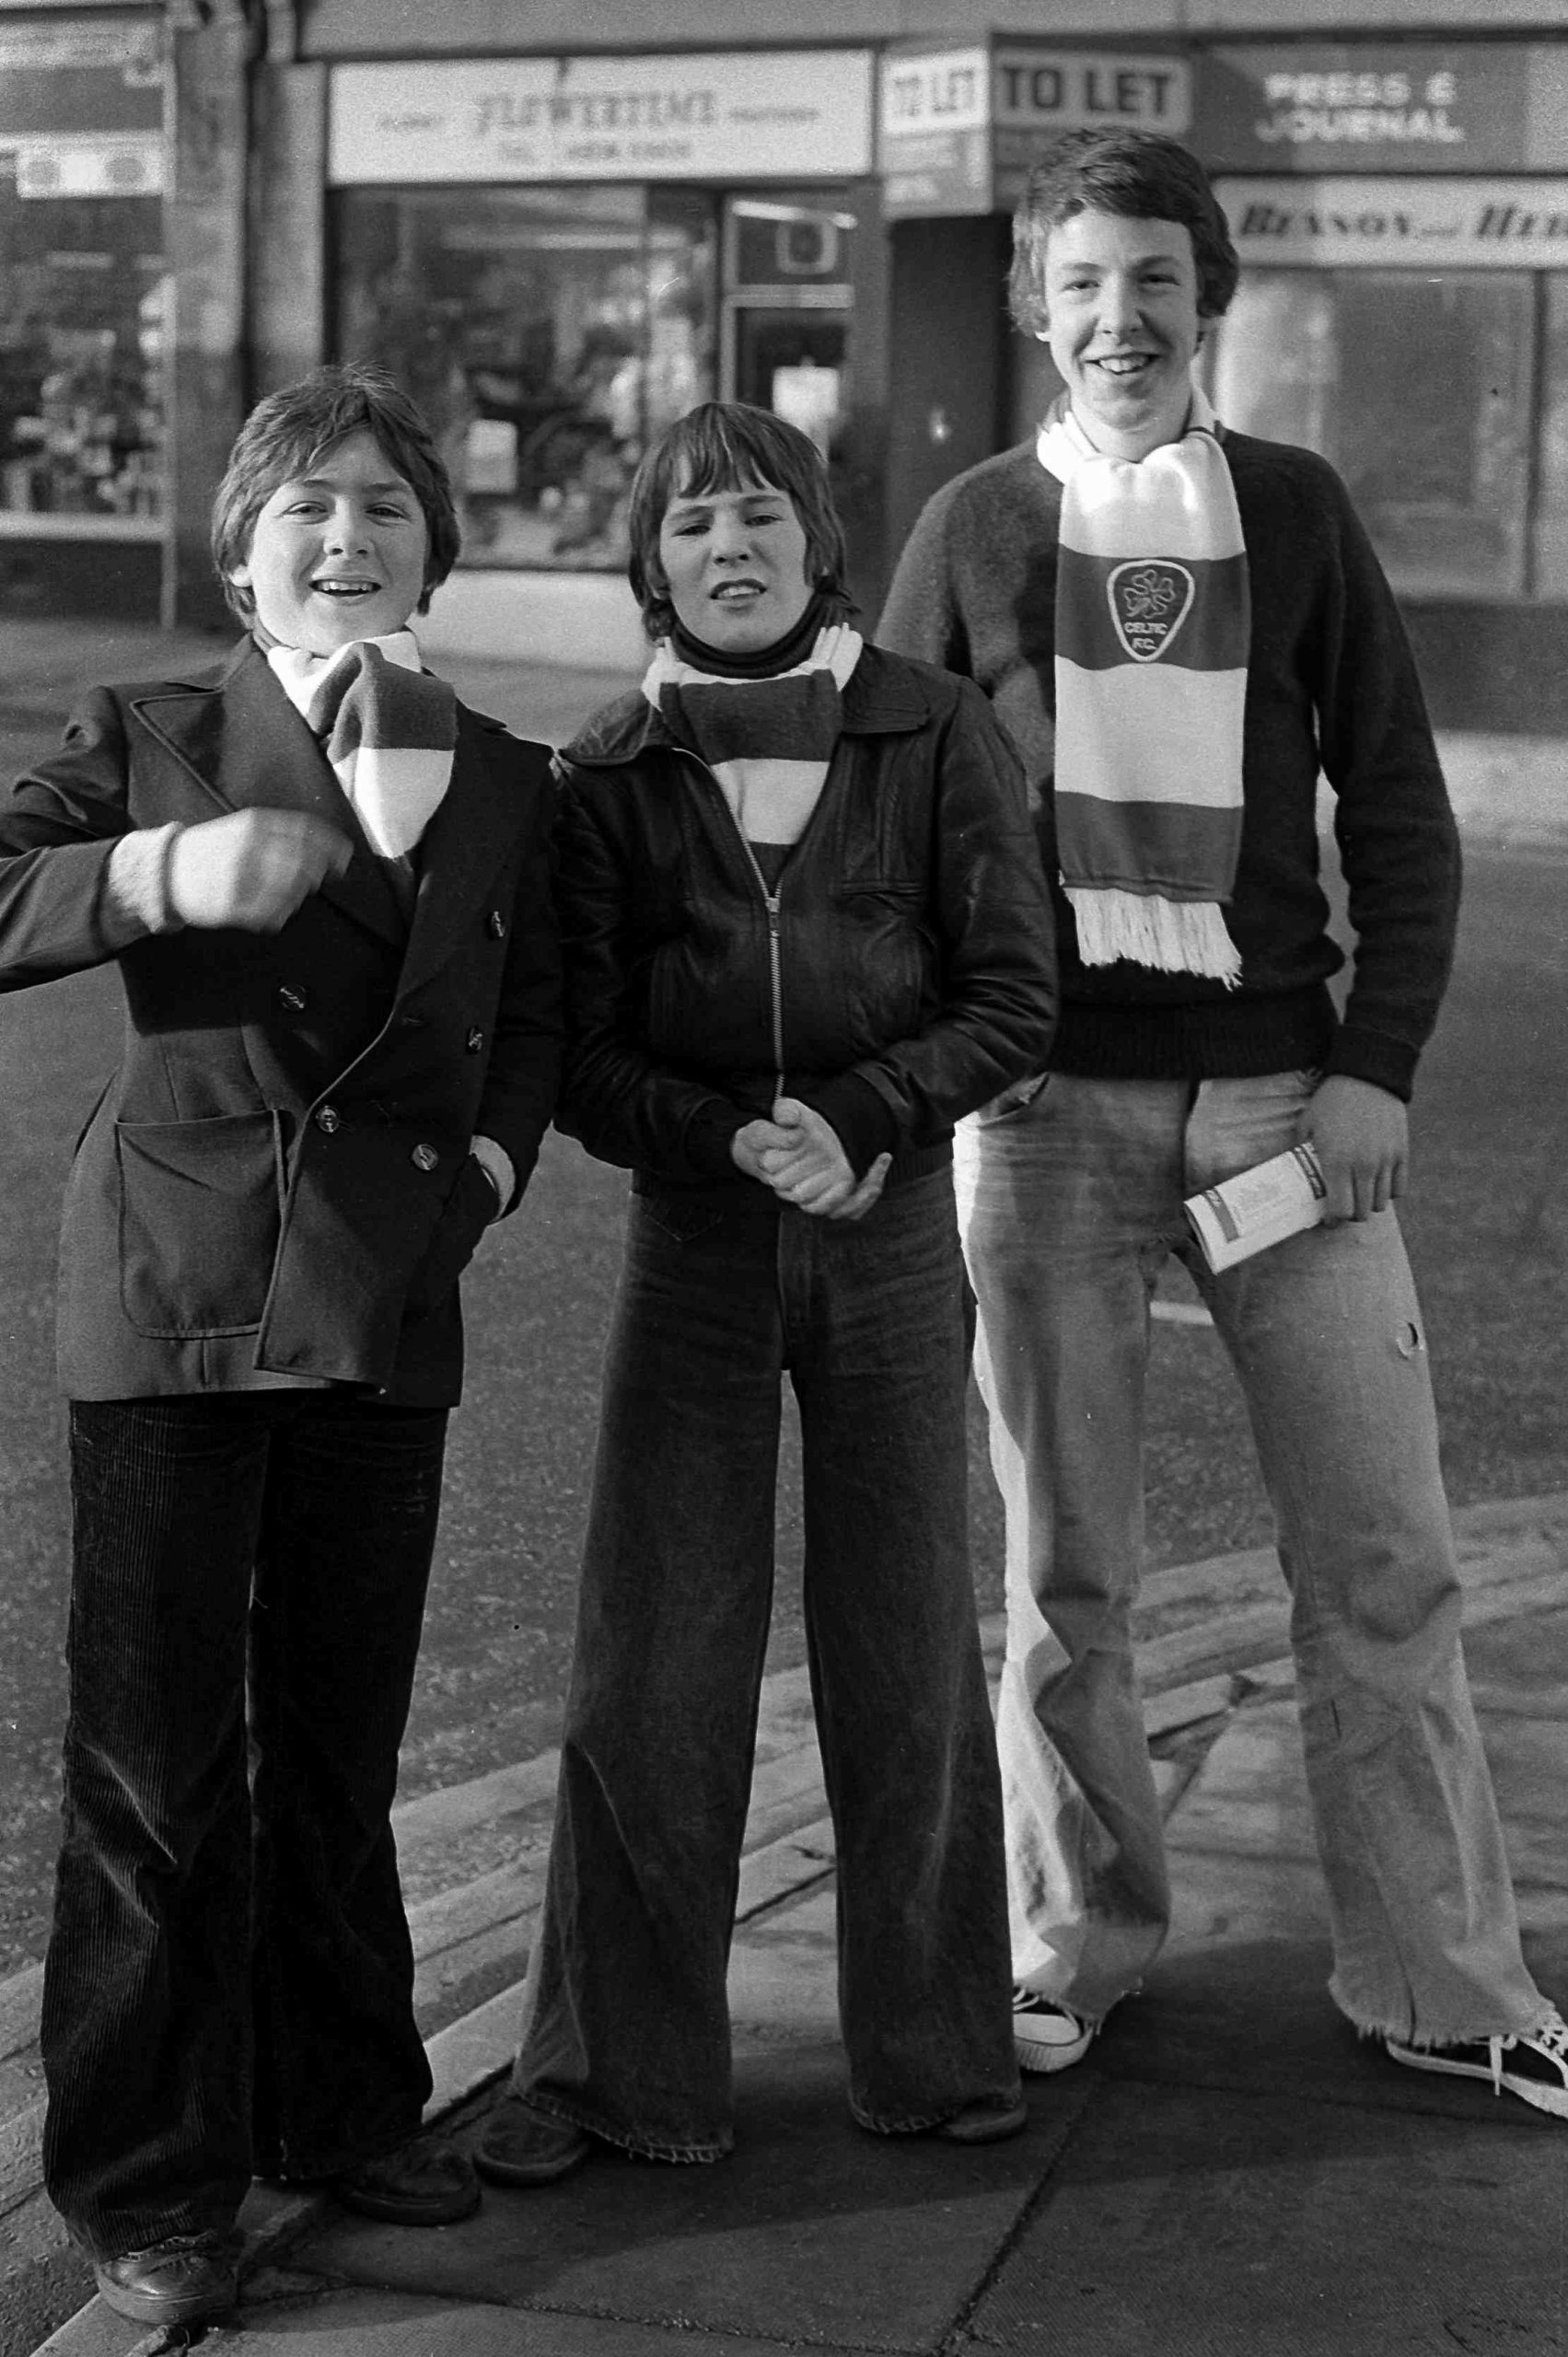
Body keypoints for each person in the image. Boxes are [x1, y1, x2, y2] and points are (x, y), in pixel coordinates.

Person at [878, 129, 1568, 2119]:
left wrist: (1379, 1065)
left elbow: (1407, 817)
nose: (1120, 319)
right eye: (1084, 282)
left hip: (1288, 1105)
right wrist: (951, 1042)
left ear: (1212, 304)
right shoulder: (976, 531)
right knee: (1062, 1577)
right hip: (1044, 1117)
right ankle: (1076, 1943)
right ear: (1037, 303)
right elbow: (885, 833)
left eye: (1155, 282)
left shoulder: (1298, 511)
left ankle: (1440, 1972)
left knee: (1384, 1555)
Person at [0, 363, 563, 2327]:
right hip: (169, 1288)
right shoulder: (152, 733)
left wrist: (489, 1161)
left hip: (388, 1296)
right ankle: (149, 2177)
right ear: (242, 554)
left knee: (338, 1741)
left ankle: (339, 2104)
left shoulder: (501, 769)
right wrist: (161, 870)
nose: (347, 534)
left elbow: (545, 999)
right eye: (307, 505)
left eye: (386, 506)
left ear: (434, 545)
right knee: (159, 1767)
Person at [473, 401, 1056, 2189]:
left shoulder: (932, 723)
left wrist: (868, 1120)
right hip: (701, 1239)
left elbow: (1017, 997)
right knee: (656, 1649)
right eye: (693, 521)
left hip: (886, 1241)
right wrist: (730, 1140)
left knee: (905, 1643)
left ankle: (939, 2048)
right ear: (651, 560)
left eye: (761, 515)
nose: (730, 546)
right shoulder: (609, 767)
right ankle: (616, 2072)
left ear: (818, 540)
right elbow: (575, 1053)